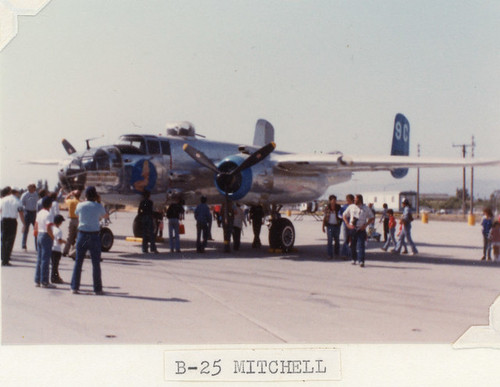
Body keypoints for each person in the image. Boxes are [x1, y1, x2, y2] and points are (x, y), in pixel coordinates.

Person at [70, 186, 108, 295]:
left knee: (78, 261)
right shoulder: (98, 206)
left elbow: (77, 214)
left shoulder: (80, 205)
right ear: (95, 195)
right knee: (96, 263)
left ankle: (74, 287)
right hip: (94, 235)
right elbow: (105, 215)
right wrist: (99, 201)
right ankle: (97, 288)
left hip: (82, 234)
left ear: (86, 195)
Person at [342, 194, 374, 267]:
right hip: (353, 228)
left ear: (360, 200)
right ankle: (354, 259)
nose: (354, 200)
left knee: (361, 245)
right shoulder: (351, 207)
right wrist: (347, 224)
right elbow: (344, 215)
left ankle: (361, 261)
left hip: (361, 229)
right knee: (353, 245)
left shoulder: (366, 208)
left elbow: (372, 217)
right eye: (354, 199)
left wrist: (365, 225)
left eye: (356, 199)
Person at [1, 186, 25, 266]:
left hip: (4, 220)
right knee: (10, 241)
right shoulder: (18, 201)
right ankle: (6, 259)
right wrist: (24, 224)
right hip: (12, 222)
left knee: (3, 240)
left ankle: (3, 257)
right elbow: (21, 213)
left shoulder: (3, 200)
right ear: (17, 192)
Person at [34, 196, 55, 287]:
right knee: (45, 260)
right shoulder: (48, 214)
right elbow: (48, 227)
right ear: (50, 204)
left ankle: (37, 280)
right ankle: (44, 281)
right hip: (46, 235)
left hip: (39, 234)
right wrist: (53, 237)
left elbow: (36, 225)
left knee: (39, 259)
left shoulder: (40, 213)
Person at [322, 194, 342, 259]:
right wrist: (323, 227)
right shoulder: (327, 207)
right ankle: (329, 255)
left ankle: (336, 253)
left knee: (337, 240)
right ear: (330, 201)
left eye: (335, 200)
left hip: (337, 226)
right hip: (329, 226)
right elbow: (324, 217)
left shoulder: (338, 207)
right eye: (333, 200)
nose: (334, 201)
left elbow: (341, 216)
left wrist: (340, 223)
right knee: (329, 241)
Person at [20, 183, 39, 251]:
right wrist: (24, 212)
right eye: (30, 187)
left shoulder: (35, 194)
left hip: (34, 213)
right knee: (26, 230)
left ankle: (37, 246)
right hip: (27, 212)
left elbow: (37, 202)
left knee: (36, 230)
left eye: (33, 188)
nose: (32, 189)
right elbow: (21, 203)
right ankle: (24, 246)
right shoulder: (25, 195)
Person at [63, 190, 81, 257]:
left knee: (69, 237)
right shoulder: (80, 203)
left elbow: (65, 199)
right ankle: (74, 252)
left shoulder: (70, 201)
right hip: (78, 220)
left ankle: (65, 251)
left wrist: (70, 194)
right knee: (78, 237)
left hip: (71, 220)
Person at [51, 214, 66, 284]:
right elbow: (59, 240)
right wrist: (65, 242)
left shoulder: (52, 228)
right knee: (55, 265)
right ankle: (54, 277)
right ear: (60, 222)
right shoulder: (59, 231)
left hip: (51, 248)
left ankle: (55, 276)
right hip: (57, 249)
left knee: (53, 264)